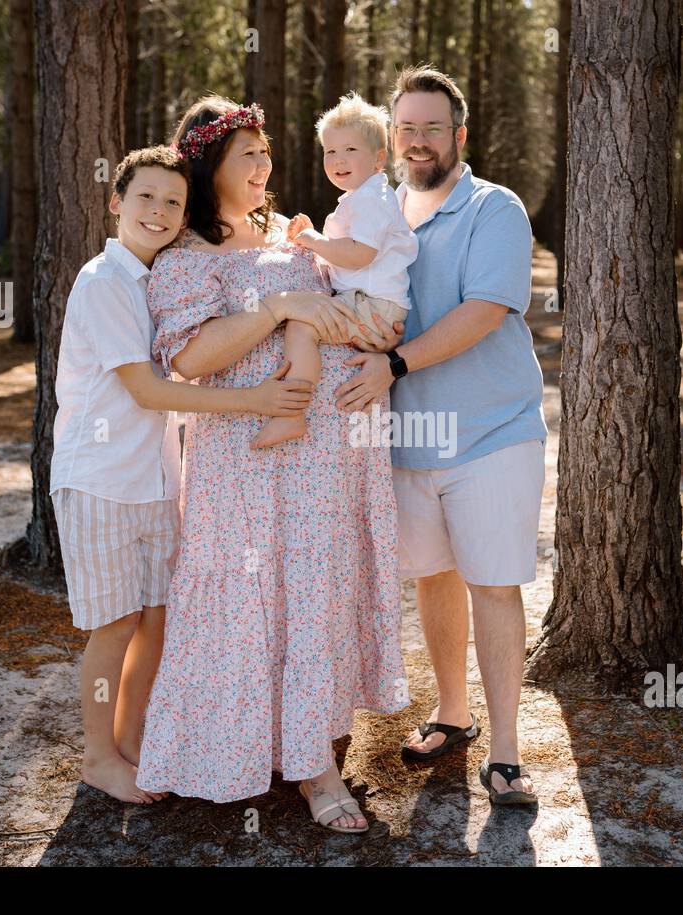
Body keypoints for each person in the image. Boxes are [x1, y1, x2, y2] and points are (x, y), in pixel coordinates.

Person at [135, 96, 409, 834]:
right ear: (212, 166)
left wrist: (381, 362)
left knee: (313, 593)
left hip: (325, 450)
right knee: (249, 595)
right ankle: (239, 750)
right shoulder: (187, 257)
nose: (265, 166)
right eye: (249, 155)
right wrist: (277, 309)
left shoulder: (292, 236)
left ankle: (315, 757)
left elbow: (353, 303)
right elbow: (188, 360)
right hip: (244, 460)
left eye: (266, 154)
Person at [50, 146, 313, 805]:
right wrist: (252, 402)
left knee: (158, 620)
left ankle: (136, 740)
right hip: (100, 480)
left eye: (172, 201)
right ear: (116, 202)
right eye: (145, 197)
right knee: (114, 626)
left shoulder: (160, 277)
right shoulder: (104, 282)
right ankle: (97, 756)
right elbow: (147, 390)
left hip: (159, 480)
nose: (159, 211)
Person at [333, 66, 548, 806]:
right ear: (391, 137)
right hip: (407, 440)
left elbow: (485, 309)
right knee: (433, 575)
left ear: (459, 136)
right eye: (406, 127)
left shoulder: (494, 209)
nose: (417, 140)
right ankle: (452, 715)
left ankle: (509, 753)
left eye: (432, 127)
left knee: (492, 581)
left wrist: (392, 361)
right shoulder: (378, 210)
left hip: (492, 432)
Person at [258, 92, 419, 449]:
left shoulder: (374, 199)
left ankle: (291, 414)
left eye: (350, 150)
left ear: (379, 158)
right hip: (369, 302)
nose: (338, 159)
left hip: (375, 306)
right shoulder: (360, 198)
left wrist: (314, 241)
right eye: (330, 151)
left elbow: (359, 254)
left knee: (301, 327)